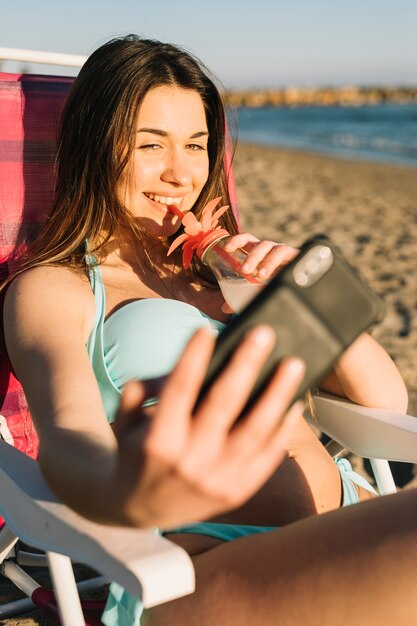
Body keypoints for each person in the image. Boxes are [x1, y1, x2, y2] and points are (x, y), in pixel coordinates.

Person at [2, 35, 415, 626]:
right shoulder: (57, 287)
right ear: (94, 148)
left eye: (197, 145)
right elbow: (69, 442)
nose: (180, 174)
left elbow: (385, 402)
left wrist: (300, 291)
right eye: (151, 144)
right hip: (211, 562)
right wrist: (131, 494)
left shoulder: (224, 281)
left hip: (347, 515)